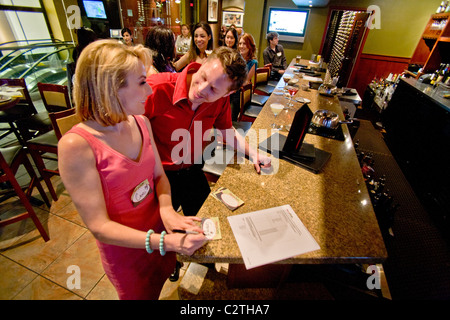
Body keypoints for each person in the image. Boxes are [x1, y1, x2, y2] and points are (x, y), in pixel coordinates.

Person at [58, 40, 206, 300]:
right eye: (140, 82)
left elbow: (159, 177)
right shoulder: (76, 146)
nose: (149, 90)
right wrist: (164, 242)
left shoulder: (140, 122)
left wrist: (166, 209)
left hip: (160, 234)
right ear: (110, 89)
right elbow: (99, 226)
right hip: (128, 253)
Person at [145, 46, 271, 217]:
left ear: (229, 94)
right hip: (158, 175)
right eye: (203, 77)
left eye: (213, 89)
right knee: (160, 228)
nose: (201, 90)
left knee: (207, 221)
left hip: (192, 168)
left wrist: (254, 154)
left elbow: (227, 130)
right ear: (203, 63)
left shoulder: (220, 101)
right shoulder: (157, 88)